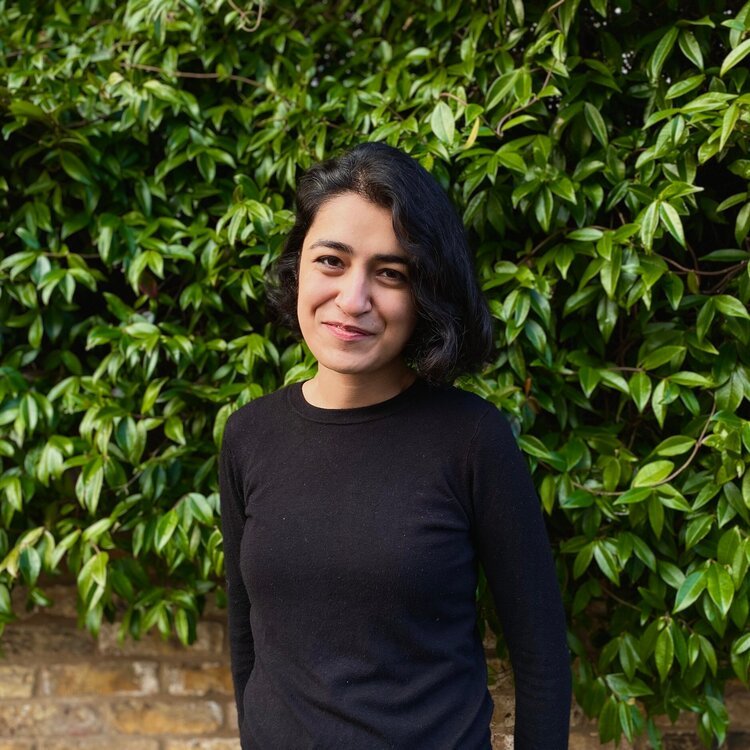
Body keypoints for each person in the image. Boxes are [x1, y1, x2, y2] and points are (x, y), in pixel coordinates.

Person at [219, 142, 571, 749]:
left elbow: (541, 658)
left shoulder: (472, 439)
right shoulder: (250, 435)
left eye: (390, 273)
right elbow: (247, 637)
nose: (353, 300)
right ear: (298, 265)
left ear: (426, 295)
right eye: (331, 260)